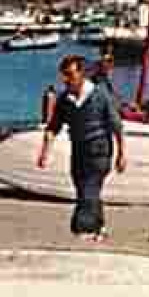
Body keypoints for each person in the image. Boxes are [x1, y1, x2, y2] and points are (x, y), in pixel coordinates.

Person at [37, 54, 126, 241]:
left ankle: (82, 228)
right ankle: (99, 227)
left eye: (70, 75)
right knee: (84, 190)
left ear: (82, 74)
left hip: (100, 149)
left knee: (89, 188)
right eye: (64, 75)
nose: (66, 79)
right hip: (78, 150)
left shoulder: (100, 95)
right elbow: (53, 127)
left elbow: (116, 125)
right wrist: (44, 153)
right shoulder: (64, 100)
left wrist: (121, 154)